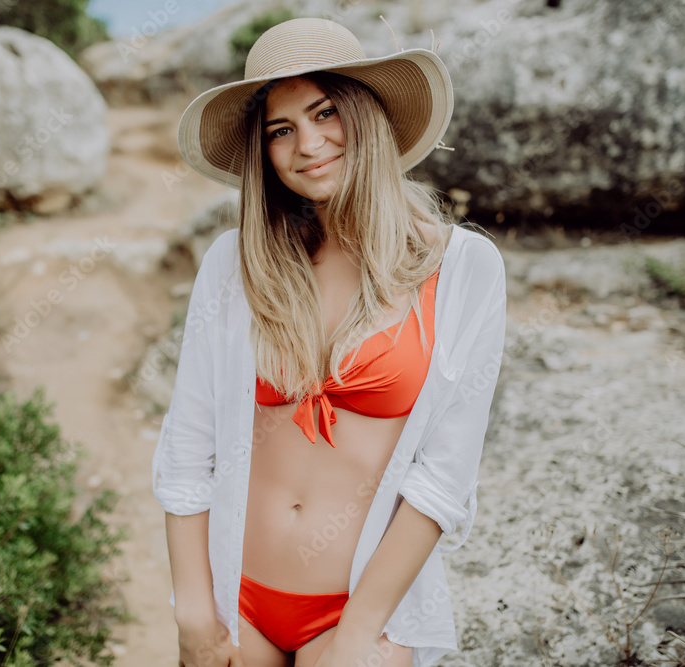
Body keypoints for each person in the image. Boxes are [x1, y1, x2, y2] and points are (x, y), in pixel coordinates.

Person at [152, 17, 507, 667]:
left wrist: (356, 635)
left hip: (358, 612)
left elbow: (443, 478)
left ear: (366, 116)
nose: (307, 144)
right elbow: (187, 446)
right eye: (280, 130)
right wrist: (196, 614)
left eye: (324, 113)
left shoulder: (462, 269)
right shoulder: (235, 265)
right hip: (239, 600)